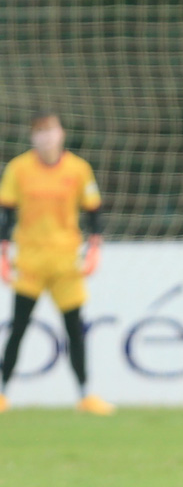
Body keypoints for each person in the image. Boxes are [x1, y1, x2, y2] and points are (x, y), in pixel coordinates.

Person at [0, 113, 108, 415]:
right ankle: (3, 393)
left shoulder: (78, 169)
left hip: (65, 262)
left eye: (50, 131)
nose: (45, 138)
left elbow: (94, 212)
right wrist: (3, 255)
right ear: (32, 137)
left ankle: (85, 395)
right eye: (39, 132)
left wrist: (94, 250)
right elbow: (5, 214)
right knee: (18, 326)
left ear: (61, 134)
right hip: (31, 261)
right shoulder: (19, 169)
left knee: (74, 329)